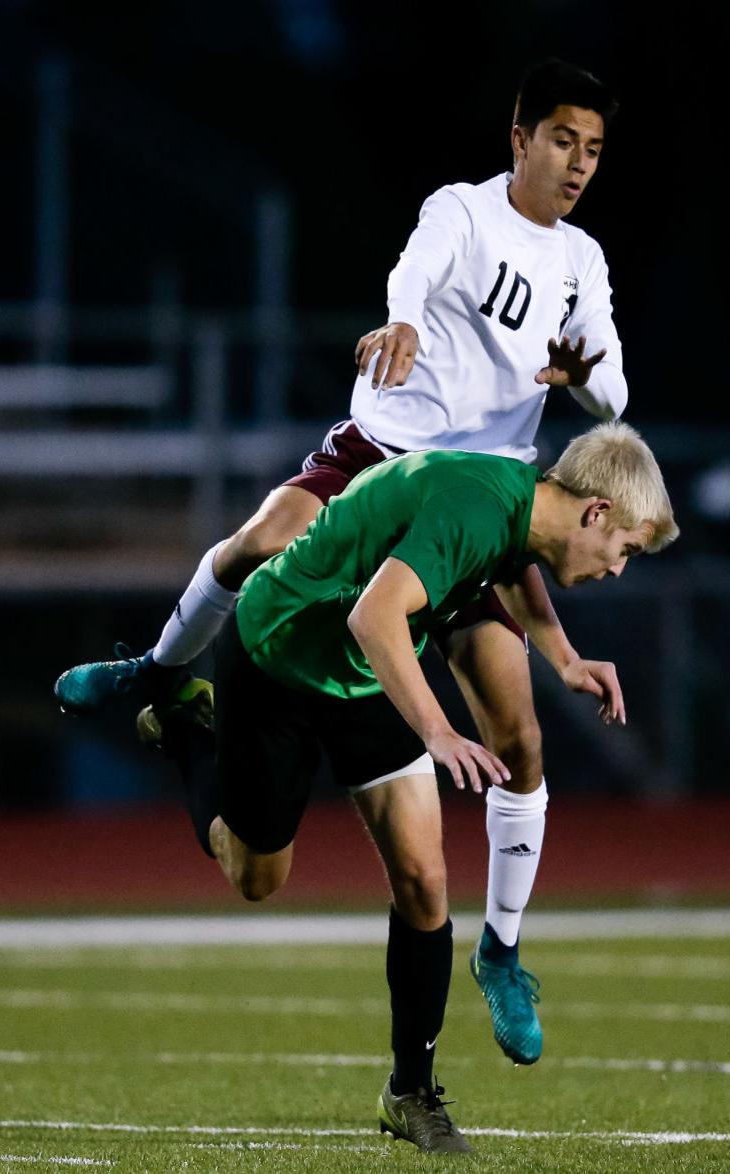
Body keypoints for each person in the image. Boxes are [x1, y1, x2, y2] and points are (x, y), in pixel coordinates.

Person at [55, 57, 624, 1067]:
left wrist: (588, 380)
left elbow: (611, 385)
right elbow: (412, 269)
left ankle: (499, 952)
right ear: (519, 138)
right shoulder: (460, 211)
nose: (577, 163)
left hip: (477, 511)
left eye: (591, 148)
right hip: (388, 465)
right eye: (562, 140)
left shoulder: (581, 260)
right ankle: (158, 671)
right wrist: (403, 319)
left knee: (522, 734)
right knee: (265, 535)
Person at [144, 423, 677, 1153]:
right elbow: (374, 613)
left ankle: (410, 1094)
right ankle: (189, 734)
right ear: (596, 513)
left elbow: (507, 567)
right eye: (627, 549)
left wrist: (564, 660)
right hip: (280, 653)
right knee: (255, 874)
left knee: (425, 881)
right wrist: (436, 730)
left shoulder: (519, 504)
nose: (619, 569)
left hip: (364, 676)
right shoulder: (477, 504)